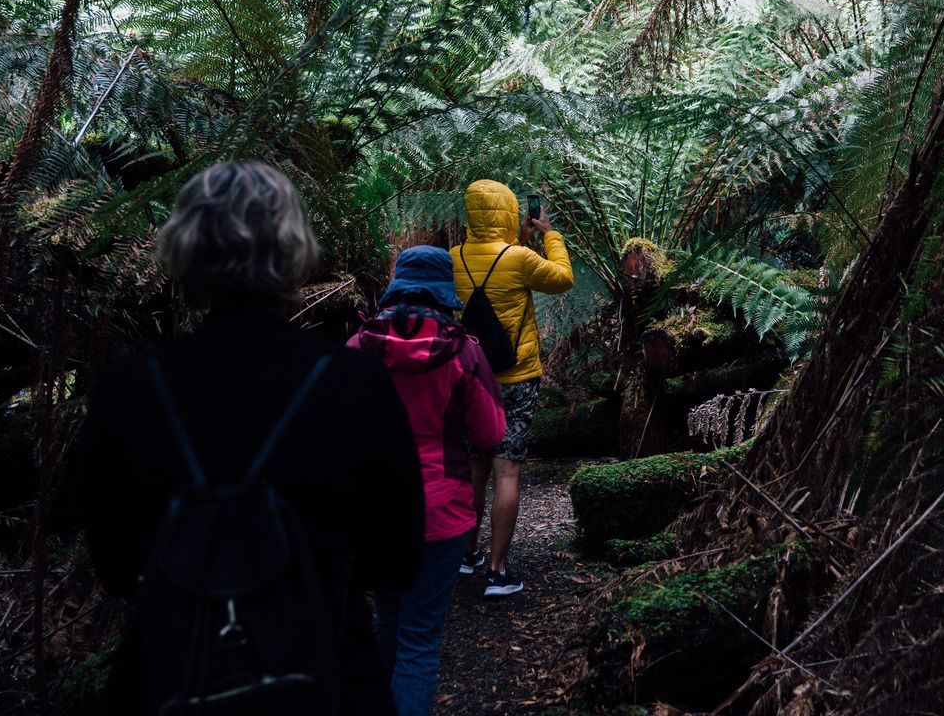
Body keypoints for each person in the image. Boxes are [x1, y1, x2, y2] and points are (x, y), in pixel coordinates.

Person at [79, 161, 424, 715]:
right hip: (327, 676)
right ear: (292, 249)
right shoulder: (352, 384)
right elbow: (397, 561)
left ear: (185, 250)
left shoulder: (131, 388)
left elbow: (116, 566)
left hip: (172, 679)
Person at [348, 246, 507, 716]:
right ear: (444, 290)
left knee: (387, 624)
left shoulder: (359, 347)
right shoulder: (463, 351)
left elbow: (336, 425)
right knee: (419, 642)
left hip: (375, 510)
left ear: (397, 284)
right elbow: (491, 432)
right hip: (443, 510)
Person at [451, 179, 574, 597]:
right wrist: (548, 233)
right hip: (515, 378)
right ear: (506, 212)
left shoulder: (454, 257)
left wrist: (517, 240)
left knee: (474, 468)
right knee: (507, 470)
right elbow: (562, 278)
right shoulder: (520, 258)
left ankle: (466, 556)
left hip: (470, 378)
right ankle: (499, 572)